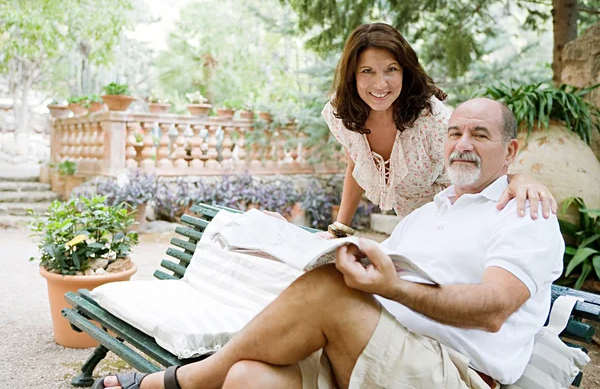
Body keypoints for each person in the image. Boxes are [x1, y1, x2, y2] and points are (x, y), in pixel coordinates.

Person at [96, 98, 564, 389]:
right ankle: (205, 376)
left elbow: (495, 308)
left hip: (450, 372)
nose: (463, 143)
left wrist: (391, 288)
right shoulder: (427, 213)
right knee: (246, 378)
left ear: (510, 152)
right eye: (455, 133)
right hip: (372, 348)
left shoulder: (524, 212)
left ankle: (181, 381)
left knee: (327, 289)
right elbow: (389, 269)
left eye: (480, 134)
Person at [321, 22, 556, 238]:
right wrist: (339, 230)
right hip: (412, 226)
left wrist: (518, 179)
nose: (381, 84)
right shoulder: (341, 111)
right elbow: (356, 164)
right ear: (352, 75)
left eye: (391, 69)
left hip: (458, 222)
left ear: (405, 71)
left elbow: (477, 164)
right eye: (367, 71)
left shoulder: (432, 120)